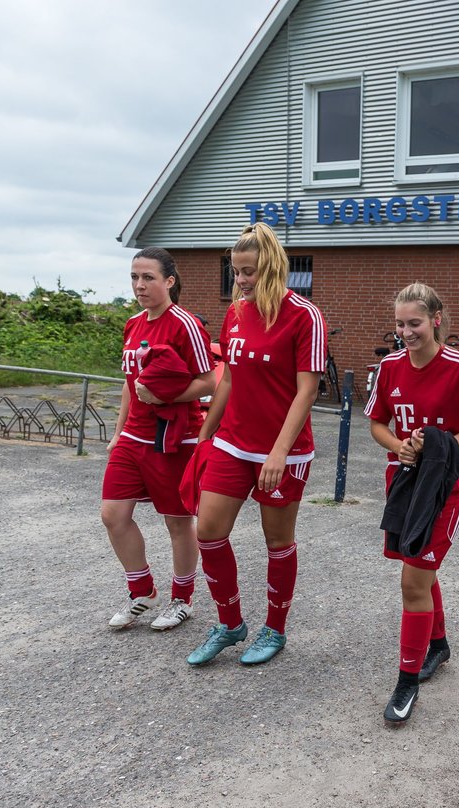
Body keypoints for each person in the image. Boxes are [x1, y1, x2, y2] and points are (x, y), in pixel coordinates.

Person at [186, 223, 327, 668]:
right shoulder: (235, 313)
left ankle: (275, 629)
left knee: (277, 540)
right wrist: (207, 432)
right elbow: (228, 375)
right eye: (236, 272)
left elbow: (307, 391)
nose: (241, 281)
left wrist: (279, 453)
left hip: (284, 450)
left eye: (248, 272)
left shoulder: (305, 315)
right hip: (233, 441)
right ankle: (230, 624)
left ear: (272, 268)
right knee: (207, 531)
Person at [365, 283, 459, 724]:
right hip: (403, 481)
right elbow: (377, 423)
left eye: (414, 323)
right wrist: (400, 445)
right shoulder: (390, 367)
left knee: (413, 581)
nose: (406, 332)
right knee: (420, 566)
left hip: (445, 483)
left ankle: (406, 683)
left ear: (435, 319)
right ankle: (437, 645)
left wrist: (437, 446)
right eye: (400, 324)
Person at [102, 248, 216, 630]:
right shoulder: (133, 324)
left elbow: (209, 380)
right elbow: (129, 383)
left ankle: (182, 598)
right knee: (113, 515)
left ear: (168, 281)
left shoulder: (184, 324)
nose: (139, 285)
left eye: (148, 277)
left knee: (178, 521)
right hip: (133, 436)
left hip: (175, 437)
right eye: (134, 277)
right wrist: (117, 433)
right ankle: (142, 591)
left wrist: (168, 396)